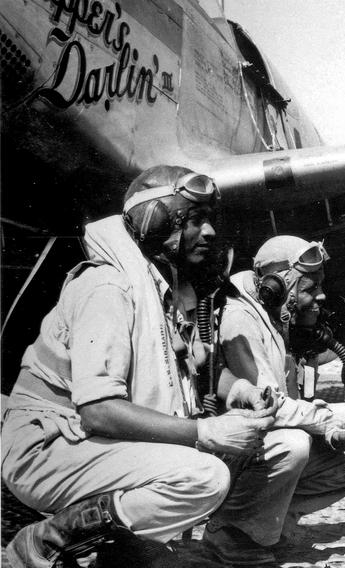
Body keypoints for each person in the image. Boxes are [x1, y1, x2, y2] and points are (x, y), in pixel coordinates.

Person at [1, 165, 276, 567]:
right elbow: (98, 411)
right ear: (154, 221)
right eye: (195, 219)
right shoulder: (109, 288)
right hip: (45, 447)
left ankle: (115, 548)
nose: (211, 232)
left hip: (79, 441)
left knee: (257, 452)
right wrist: (208, 430)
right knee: (204, 477)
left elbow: (195, 365)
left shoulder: (157, 289)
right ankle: (48, 540)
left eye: (209, 221)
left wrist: (241, 391)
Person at [205, 235, 345, 565]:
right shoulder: (240, 319)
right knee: (294, 442)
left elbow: (294, 399)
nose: (321, 296)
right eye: (310, 288)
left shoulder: (277, 313)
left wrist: (334, 434)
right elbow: (271, 409)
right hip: (226, 449)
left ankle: (270, 521)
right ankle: (230, 530)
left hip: (254, 447)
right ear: (278, 286)